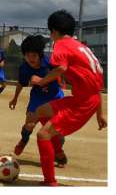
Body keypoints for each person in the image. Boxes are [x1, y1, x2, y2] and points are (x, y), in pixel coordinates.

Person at [28, 10, 106, 186]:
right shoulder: (81, 47)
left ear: (54, 31)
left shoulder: (61, 45)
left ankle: (50, 182)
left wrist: (41, 81)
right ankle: (58, 151)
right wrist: (99, 113)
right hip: (86, 99)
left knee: (42, 134)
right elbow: (96, 85)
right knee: (41, 111)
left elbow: (61, 68)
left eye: (50, 32)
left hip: (83, 103)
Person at [9, 35, 66, 167]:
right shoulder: (24, 68)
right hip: (37, 98)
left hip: (54, 97)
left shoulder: (50, 63)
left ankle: (58, 152)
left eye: (34, 55)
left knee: (56, 133)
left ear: (40, 54)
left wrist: (45, 80)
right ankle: (24, 140)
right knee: (29, 125)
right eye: (27, 55)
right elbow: (21, 83)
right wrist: (15, 98)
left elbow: (61, 71)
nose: (31, 59)